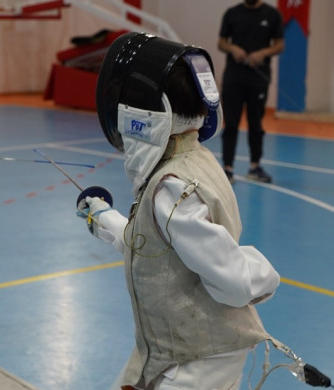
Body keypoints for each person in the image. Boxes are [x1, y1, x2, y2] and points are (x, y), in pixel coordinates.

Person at [89, 32, 281, 390]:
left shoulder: (173, 187)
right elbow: (150, 244)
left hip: (198, 359)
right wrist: (99, 216)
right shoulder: (195, 161)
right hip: (179, 351)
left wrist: (265, 273)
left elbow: (235, 282)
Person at [218, 0, 284, 183]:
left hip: (258, 78)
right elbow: (221, 42)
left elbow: (279, 44)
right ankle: (227, 169)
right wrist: (232, 48)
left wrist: (263, 53)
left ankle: (255, 167)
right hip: (233, 77)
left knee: (256, 124)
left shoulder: (272, 15)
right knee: (231, 124)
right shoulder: (232, 13)